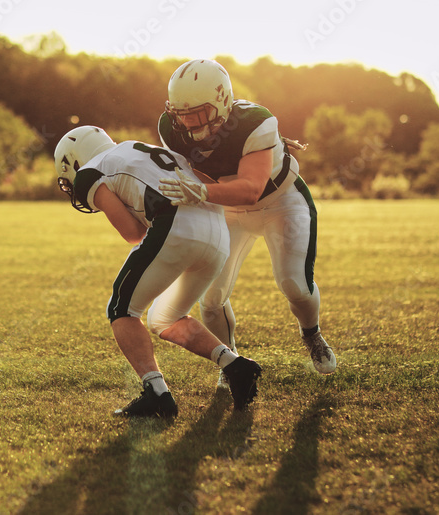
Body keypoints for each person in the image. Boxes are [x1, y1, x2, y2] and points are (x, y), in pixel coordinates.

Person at [54, 125, 262, 418]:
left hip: (176, 225)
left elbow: (133, 233)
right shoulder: (140, 148)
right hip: (218, 233)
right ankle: (235, 365)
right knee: (164, 318)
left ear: (75, 161)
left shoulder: (90, 171)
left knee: (122, 309)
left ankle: (157, 394)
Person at [156, 59, 337, 378]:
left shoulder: (255, 121)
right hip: (227, 210)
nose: (188, 123)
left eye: (197, 113)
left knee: (295, 285)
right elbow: (195, 177)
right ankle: (232, 364)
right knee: (210, 298)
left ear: (222, 102)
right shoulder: (171, 130)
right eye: (181, 115)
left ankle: (312, 334)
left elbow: (251, 189)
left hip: (281, 202)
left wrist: (200, 193)